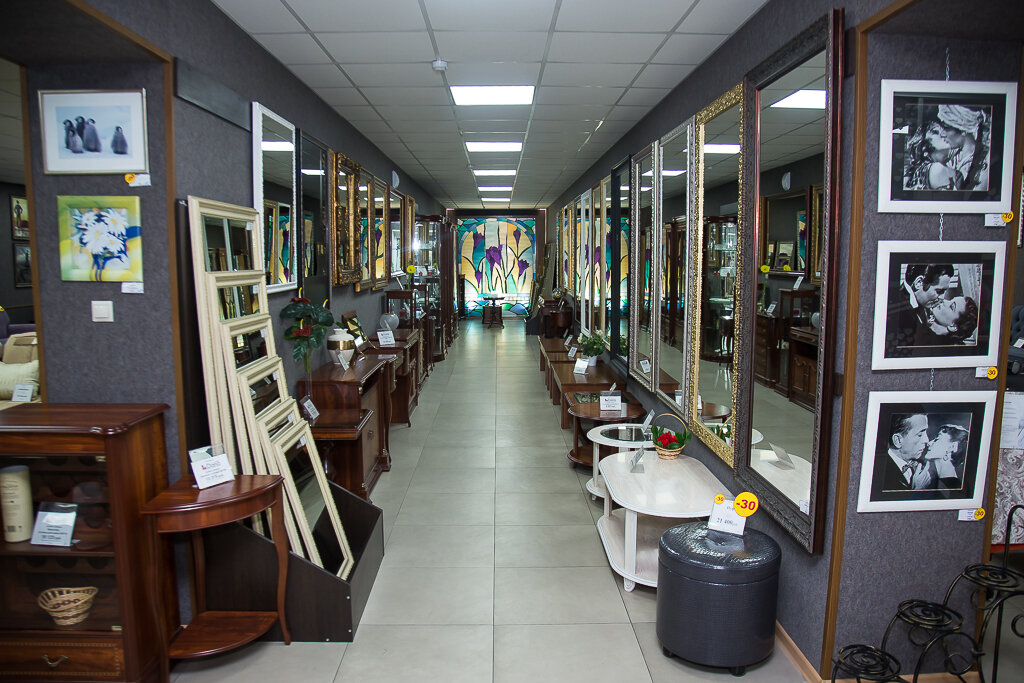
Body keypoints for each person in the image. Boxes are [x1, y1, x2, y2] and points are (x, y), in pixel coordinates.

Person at [903, 104, 990, 192]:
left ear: (963, 130)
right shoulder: (951, 155)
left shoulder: (985, 165)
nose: (942, 134)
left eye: (946, 128)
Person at [886, 263, 954, 351]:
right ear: (919, 283)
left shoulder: (919, 305)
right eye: (939, 291)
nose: (942, 298)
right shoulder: (898, 311)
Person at [882, 413, 931, 491]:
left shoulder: (919, 466)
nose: (927, 440)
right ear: (898, 440)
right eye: (920, 434)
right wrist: (918, 490)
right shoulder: (880, 472)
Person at [921, 424, 970, 490]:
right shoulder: (931, 482)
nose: (929, 443)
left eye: (937, 439)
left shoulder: (951, 487)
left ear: (951, 447)